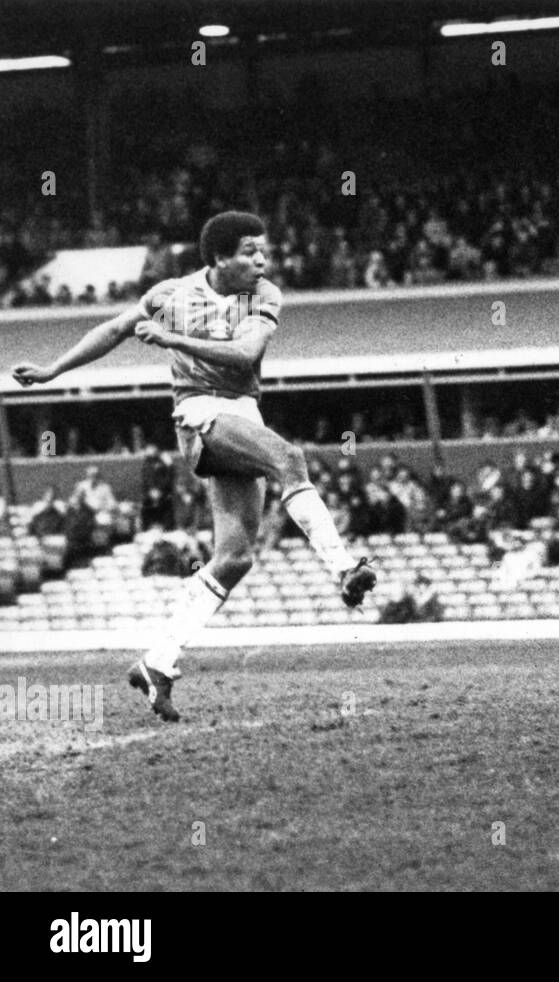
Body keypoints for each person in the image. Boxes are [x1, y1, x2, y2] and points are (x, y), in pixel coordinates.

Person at [11, 211, 377, 722]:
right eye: (251, 252)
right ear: (220, 257)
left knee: (235, 558)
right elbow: (115, 328)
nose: (262, 261)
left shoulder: (262, 296)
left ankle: (156, 662)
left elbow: (245, 353)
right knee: (289, 458)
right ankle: (343, 568)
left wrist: (174, 340)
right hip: (200, 414)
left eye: (264, 252)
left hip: (241, 414)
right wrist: (53, 370)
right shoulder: (171, 295)